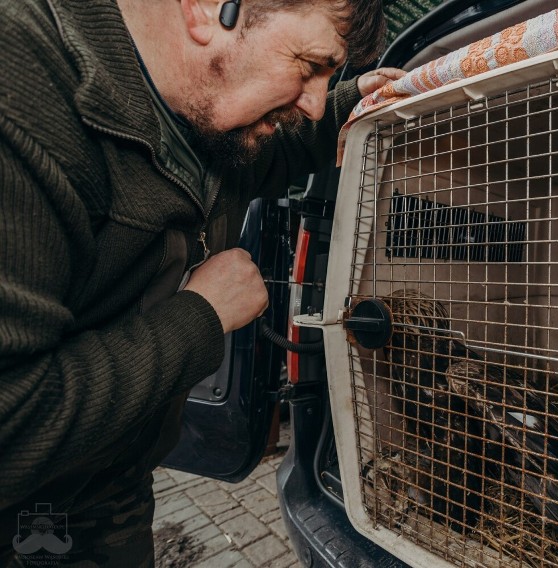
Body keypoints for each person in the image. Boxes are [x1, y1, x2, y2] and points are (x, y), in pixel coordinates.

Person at [0, 0, 404, 564]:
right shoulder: (22, 92)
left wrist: (359, 99)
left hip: (111, 487)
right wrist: (202, 315)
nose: (313, 103)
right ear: (209, 9)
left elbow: (296, 140)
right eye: (309, 64)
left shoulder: (205, 108)